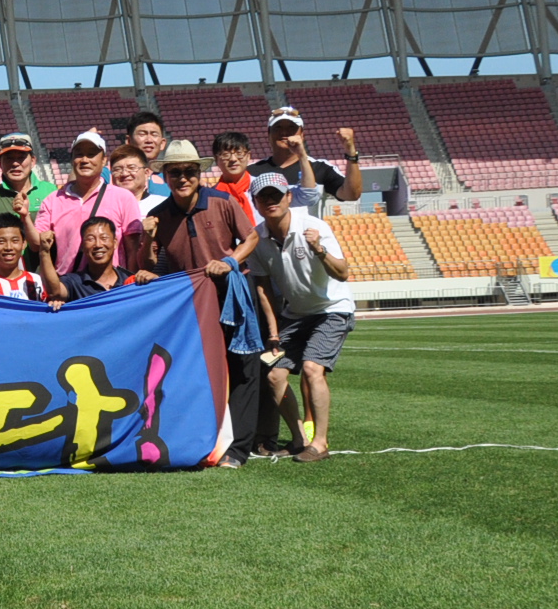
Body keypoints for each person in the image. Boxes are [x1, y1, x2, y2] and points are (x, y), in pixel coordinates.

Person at [131, 138, 259, 466]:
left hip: (230, 294)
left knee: (243, 370)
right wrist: (148, 236)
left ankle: (239, 449)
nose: (183, 178)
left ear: (199, 173)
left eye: (189, 171)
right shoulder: (158, 215)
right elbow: (148, 264)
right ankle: (200, 442)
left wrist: (230, 262)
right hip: (191, 305)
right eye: (175, 172)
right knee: (196, 372)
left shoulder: (222, 201)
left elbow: (252, 237)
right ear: (165, 176)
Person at [245, 172, 355, 463]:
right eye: (263, 197)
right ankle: (299, 439)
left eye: (276, 195)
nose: (270, 201)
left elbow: (343, 272)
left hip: (332, 309)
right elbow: (263, 289)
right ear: (255, 203)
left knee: (311, 368)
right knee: (274, 375)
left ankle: (320, 442)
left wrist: (318, 249)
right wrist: (273, 332)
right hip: (295, 314)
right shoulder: (257, 239)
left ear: (289, 197)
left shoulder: (313, 226)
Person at [35, 130, 145, 278]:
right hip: (68, 284)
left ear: (104, 160)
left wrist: (130, 283)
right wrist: (24, 217)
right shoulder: (53, 200)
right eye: (79, 154)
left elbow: (132, 248)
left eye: (91, 154)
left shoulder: (123, 198)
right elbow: (37, 243)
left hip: (112, 285)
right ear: (72, 160)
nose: (85, 160)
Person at [263, 106, 364, 214]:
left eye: (292, 128)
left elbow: (352, 195)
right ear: (269, 134)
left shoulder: (320, 167)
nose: (284, 133)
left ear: (302, 134)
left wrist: (351, 152)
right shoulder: (253, 171)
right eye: (277, 128)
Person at [0, 214, 65, 304]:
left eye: (15, 241)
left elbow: (49, 306)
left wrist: (55, 306)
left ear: (24, 244)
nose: (8, 247)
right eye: (1, 241)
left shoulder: (37, 281)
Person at [58, 217, 128, 299]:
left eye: (104, 238)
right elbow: (55, 292)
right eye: (90, 239)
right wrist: (46, 253)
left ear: (115, 243)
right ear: (82, 246)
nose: (98, 245)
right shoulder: (73, 283)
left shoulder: (129, 282)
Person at [0, 132, 53, 219]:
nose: (15, 163)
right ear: (0, 163)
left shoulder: (50, 191)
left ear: (33, 161)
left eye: (21, 158)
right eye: (9, 158)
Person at [209, 131, 257, 227]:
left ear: (248, 156)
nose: (233, 159)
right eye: (226, 154)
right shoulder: (211, 197)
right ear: (216, 159)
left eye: (239, 153)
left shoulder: (262, 187)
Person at [109, 144, 167, 219]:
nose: (124, 174)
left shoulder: (162, 205)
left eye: (131, 168)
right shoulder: (103, 206)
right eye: (117, 169)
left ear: (146, 173)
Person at [123, 110, 170, 198]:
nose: (149, 140)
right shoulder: (111, 174)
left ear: (162, 143)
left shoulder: (171, 178)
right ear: (128, 141)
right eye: (142, 134)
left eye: (154, 135)